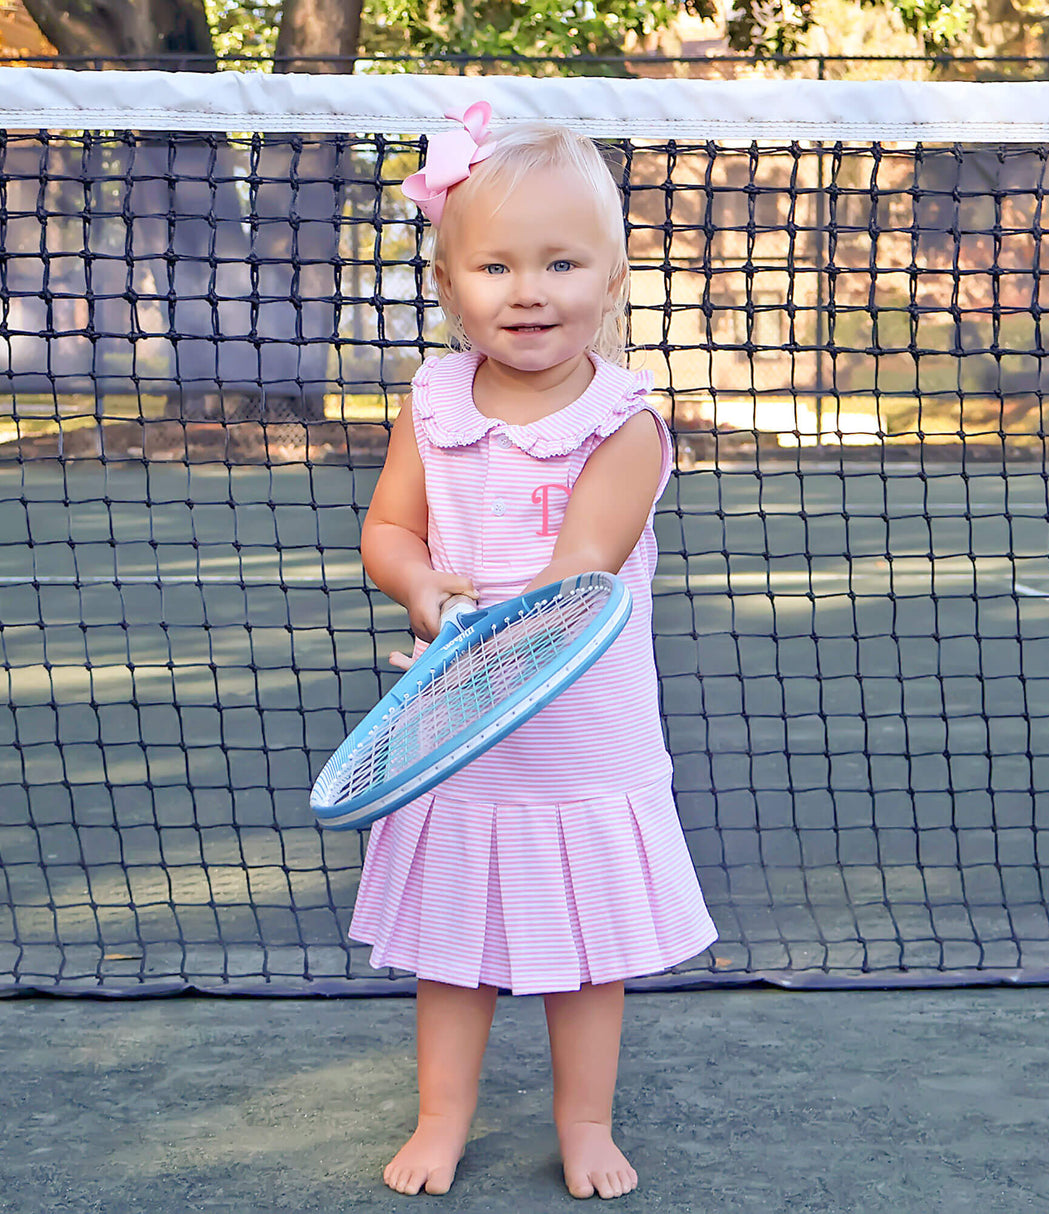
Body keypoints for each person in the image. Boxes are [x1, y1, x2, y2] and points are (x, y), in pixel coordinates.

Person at [349, 102, 718, 1200]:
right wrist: (421, 587)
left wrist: (484, 634)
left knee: (584, 951)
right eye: (495, 264)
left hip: (573, 729)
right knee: (453, 949)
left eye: (561, 262)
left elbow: (575, 582)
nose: (528, 290)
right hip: (458, 722)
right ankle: (440, 1116)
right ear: (446, 283)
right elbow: (389, 528)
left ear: (610, 279)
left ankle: (584, 1121)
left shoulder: (626, 426)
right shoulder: (429, 401)